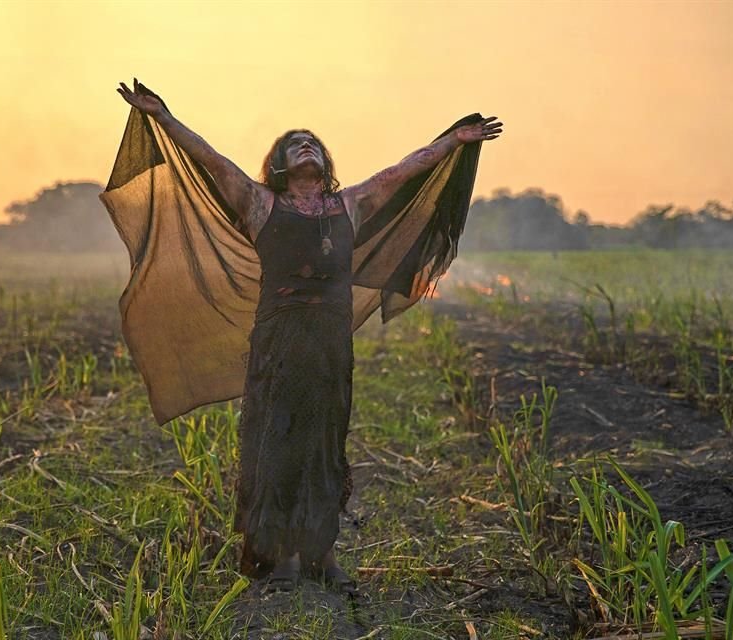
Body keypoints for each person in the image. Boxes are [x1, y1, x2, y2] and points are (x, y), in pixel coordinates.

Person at [115, 79, 502, 593]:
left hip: (330, 344)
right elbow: (212, 160)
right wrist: (163, 117)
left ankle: (321, 554)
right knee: (277, 443)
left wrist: (455, 140)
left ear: (325, 161)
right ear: (279, 163)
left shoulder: (352, 205)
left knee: (324, 444)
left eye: (313, 143)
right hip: (280, 341)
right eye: (295, 144)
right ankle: (279, 558)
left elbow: (405, 169)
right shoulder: (259, 203)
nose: (307, 146)